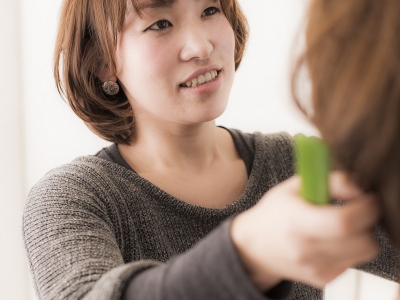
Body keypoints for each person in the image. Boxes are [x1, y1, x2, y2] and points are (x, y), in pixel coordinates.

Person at [22, 0, 398, 299]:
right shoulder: (70, 199)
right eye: (160, 23)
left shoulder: (297, 164)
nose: (201, 46)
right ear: (100, 61)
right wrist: (248, 252)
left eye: (210, 10)